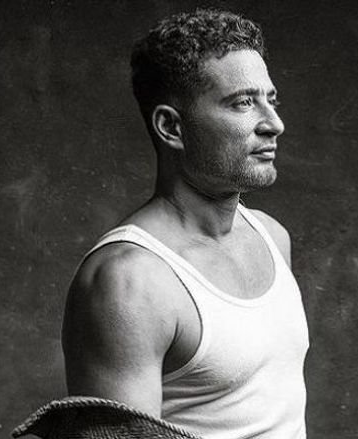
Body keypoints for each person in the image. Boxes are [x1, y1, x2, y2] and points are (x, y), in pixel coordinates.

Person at [61, 9, 309, 439]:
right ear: (171, 127)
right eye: (243, 103)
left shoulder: (271, 237)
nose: (274, 123)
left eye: (272, 100)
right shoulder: (130, 282)